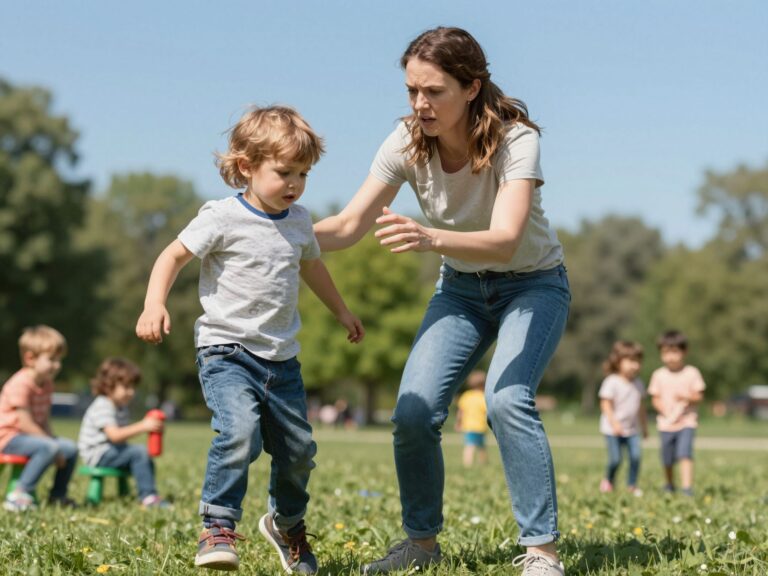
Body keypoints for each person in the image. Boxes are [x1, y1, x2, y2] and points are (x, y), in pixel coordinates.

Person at [314, 27, 570, 576]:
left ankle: (542, 553)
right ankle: (421, 545)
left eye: (434, 91)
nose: (419, 104)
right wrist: (275, 235)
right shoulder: (406, 141)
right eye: (411, 90)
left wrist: (429, 238)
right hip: (460, 289)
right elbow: (349, 225)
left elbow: (505, 237)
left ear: (471, 87)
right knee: (411, 412)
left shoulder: (515, 139)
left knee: (506, 400)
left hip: (533, 283)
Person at [136, 105, 364, 573]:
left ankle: (287, 524)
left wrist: (341, 310)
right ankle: (217, 528)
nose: (296, 183)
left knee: (299, 451)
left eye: (304, 173)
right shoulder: (221, 217)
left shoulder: (299, 221)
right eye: (284, 172)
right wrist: (153, 303)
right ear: (246, 166)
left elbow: (313, 267)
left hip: (282, 359)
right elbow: (172, 256)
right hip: (226, 351)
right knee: (238, 432)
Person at [0, 325, 78, 511]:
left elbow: (43, 420)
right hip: (9, 437)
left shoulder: (47, 384)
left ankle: (57, 495)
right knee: (51, 446)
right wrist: (52, 444)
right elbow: (25, 423)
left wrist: (55, 442)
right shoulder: (21, 383)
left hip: (31, 438)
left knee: (71, 449)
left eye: (59, 360)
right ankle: (19, 493)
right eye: (51, 359)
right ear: (30, 358)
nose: (57, 365)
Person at [77, 357, 168, 507]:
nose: (131, 392)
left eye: (133, 387)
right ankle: (148, 496)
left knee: (143, 455)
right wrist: (143, 426)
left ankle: (147, 493)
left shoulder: (120, 406)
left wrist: (152, 428)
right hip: (97, 454)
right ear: (108, 386)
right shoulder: (103, 405)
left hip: (110, 451)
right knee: (139, 452)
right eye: (126, 387)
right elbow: (115, 436)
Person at [647, 330, 705, 496]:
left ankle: (687, 488)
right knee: (667, 458)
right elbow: (655, 398)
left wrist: (687, 397)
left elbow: (699, 396)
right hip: (666, 424)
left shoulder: (691, 373)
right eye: (666, 353)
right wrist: (663, 410)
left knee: (684, 454)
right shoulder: (658, 375)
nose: (670, 357)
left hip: (687, 422)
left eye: (675, 352)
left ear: (684, 352)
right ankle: (669, 484)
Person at [598, 341, 648, 494]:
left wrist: (644, 427)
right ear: (618, 361)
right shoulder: (612, 381)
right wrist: (615, 424)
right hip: (612, 430)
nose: (634, 365)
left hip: (632, 430)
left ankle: (632, 485)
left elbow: (641, 408)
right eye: (630, 361)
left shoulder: (638, 383)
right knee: (616, 459)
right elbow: (605, 404)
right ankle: (609, 481)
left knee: (636, 457)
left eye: (637, 361)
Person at [455, 370, 489, 467]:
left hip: (468, 426)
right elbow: (487, 412)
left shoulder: (466, 396)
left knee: (470, 445)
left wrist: (458, 423)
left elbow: (460, 412)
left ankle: (467, 463)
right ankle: (482, 463)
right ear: (483, 384)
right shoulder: (483, 397)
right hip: (480, 426)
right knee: (481, 446)